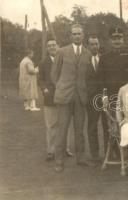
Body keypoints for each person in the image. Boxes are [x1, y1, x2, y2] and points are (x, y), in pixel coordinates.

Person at [51, 24, 92, 172]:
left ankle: (80, 158)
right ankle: (59, 160)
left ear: (83, 36)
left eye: (79, 34)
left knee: (79, 129)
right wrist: (61, 87)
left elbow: (88, 76)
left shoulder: (88, 53)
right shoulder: (61, 52)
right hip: (64, 97)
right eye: (74, 34)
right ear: (70, 36)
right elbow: (54, 74)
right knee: (62, 129)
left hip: (80, 97)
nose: (77, 36)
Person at [99, 27, 128, 157]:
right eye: (114, 38)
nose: (117, 41)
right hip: (111, 96)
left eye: (119, 38)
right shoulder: (104, 57)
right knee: (111, 125)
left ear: (123, 39)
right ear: (110, 40)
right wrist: (104, 96)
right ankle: (113, 152)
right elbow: (101, 79)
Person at [38, 38, 73, 161]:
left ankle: (65, 149)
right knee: (51, 126)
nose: (52, 47)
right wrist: (44, 89)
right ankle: (51, 151)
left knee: (65, 125)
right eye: (49, 46)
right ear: (47, 48)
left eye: (54, 45)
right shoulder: (43, 63)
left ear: (58, 46)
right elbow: (40, 79)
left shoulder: (65, 61)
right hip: (50, 99)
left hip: (64, 98)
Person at [85, 36, 105, 165]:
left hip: (104, 98)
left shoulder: (104, 58)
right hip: (91, 99)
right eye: (92, 44)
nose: (94, 46)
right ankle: (95, 155)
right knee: (92, 127)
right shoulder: (84, 60)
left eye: (96, 44)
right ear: (88, 46)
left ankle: (111, 152)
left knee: (108, 125)